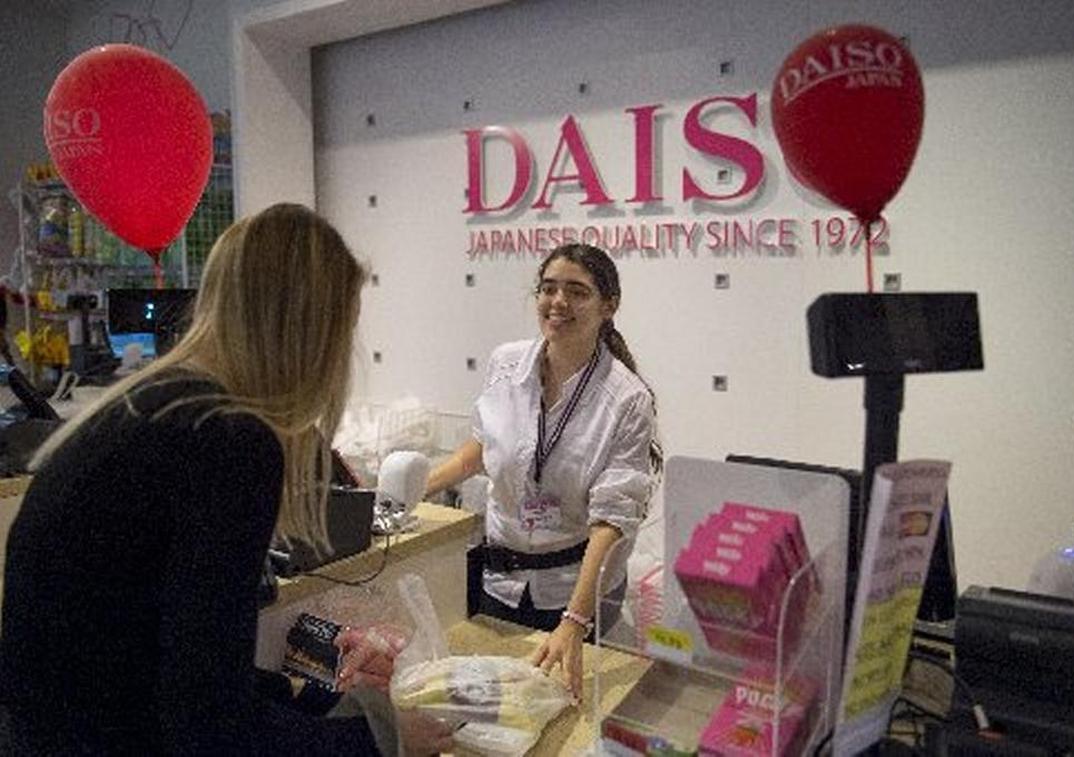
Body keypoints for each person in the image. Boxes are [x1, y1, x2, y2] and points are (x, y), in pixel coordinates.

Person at [0, 203, 452, 755]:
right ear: (312, 330)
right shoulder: (228, 439)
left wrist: (311, 700)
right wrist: (379, 738)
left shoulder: (156, 406)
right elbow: (209, 725)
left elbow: (180, 663)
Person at [425, 243, 662, 701]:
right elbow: (482, 448)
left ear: (608, 305)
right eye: (549, 288)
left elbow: (611, 521)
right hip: (501, 578)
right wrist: (404, 492)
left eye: (577, 291)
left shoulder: (627, 399)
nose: (558, 302)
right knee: (499, 709)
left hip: (576, 590)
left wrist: (574, 621)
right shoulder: (506, 363)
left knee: (563, 713)